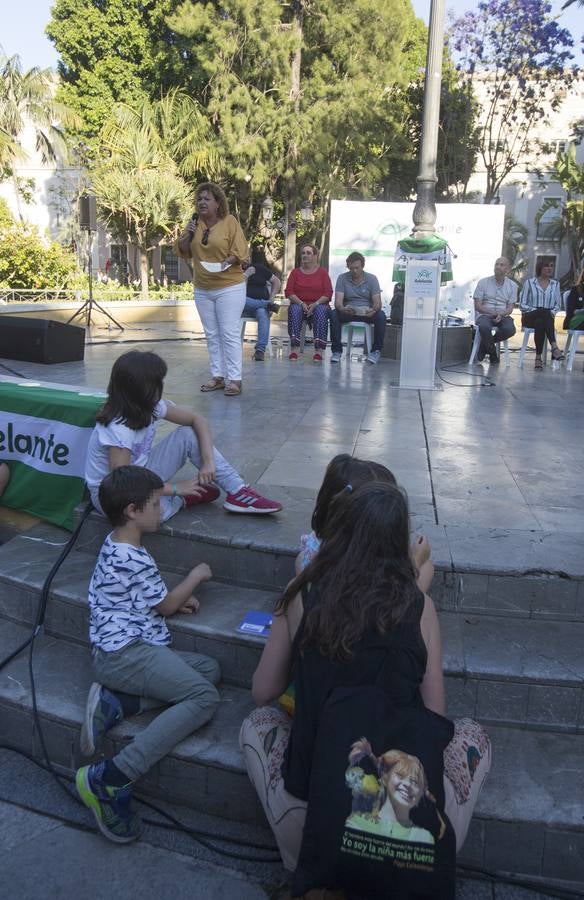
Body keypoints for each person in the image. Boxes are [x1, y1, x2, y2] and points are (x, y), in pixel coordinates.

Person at [240, 482, 491, 882]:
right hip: (409, 843)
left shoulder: (302, 592)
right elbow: (434, 716)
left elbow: (262, 692)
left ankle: (307, 863)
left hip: (308, 818)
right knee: (472, 734)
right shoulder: (420, 607)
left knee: (256, 723)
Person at [76, 465, 221, 843]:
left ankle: (117, 701)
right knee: (204, 697)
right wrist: (196, 576)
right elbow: (167, 605)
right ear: (132, 511)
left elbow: (153, 601)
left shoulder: (118, 543)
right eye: (156, 504)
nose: (162, 509)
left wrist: (174, 601)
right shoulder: (133, 557)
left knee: (209, 668)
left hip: (124, 649)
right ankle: (113, 778)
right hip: (126, 654)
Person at [84, 350, 282, 520]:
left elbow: (197, 420)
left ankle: (238, 491)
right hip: (113, 496)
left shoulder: (150, 407)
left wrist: (208, 462)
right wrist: (177, 489)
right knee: (150, 516)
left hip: (141, 474)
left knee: (188, 433)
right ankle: (180, 501)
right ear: (141, 390)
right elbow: (122, 486)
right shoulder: (118, 429)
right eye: (158, 382)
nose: (162, 385)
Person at [297, 453, 433, 593]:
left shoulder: (315, 546)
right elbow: (399, 595)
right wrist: (416, 560)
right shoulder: (371, 564)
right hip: (365, 607)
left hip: (318, 596)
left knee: (300, 561)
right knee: (427, 567)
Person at [175, 182, 249, 396]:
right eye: (199, 199)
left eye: (207, 199)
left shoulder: (229, 222)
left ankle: (235, 380)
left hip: (229, 286)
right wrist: (187, 235)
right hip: (203, 287)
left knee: (229, 332)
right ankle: (218, 376)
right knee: (211, 334)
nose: (202, 202)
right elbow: (184, 251)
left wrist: (230, 259)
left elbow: (241, 251)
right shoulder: (194, 224)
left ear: (218, 203)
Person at [330, 252, 386, 365]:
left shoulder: (372, 279)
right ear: (348, 267)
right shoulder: (342, 278)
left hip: (367, 312)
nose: (354, 271)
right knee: (334, 314)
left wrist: (373, 310)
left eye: (357, 268)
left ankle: (375, 351)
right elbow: (338, 302)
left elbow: (377, 302)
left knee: (381, 316)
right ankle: (336, 351)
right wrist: (343, 309)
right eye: (352, 268)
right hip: (349, 311)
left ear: (362, 266)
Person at [285, 243, 333, 362]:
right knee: (295, 309)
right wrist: (301, 303)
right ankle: (294, 350)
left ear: (315, 256)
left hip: (318, 305)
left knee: (321, 311)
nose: (305, 255)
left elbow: (328, 293)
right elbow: (289, 292)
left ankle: (318, 351)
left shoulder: (322, 273)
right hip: (299, 305)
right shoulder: (295, 273)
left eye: (308, 253)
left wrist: (315, 304)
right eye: (303, 253)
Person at [519, 259, 564, 370]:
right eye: (546, 266)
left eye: (551, 266)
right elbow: (522, 304)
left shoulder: (555, 284)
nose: (549, 268)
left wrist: (548, 313)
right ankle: (554, 347)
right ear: (540, 268)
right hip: (529, 316)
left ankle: (538, 358)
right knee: (544, 312)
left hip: (546, 319)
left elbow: (558, 305)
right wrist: (538, 311)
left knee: (540, 321)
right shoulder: (530, 283)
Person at [473, 256, 517, 364]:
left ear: (507, 269)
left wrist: (500, 314)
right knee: (483, 326)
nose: (498, 267)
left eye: (501, 265)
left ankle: (484, 346)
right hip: (485, 314)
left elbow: (510, 308)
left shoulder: (512, 286)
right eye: (496, 264)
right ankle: (493, 355)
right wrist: (492, 313)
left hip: (503, 315)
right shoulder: (483, 282)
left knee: (510, 329)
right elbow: (477, 306)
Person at [242, 247, 282, 361]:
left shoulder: (258, 268)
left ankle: (260, 351)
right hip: (241, 306)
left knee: (262, 313)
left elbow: (276, 281)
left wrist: (272, 297)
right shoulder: (234, 271)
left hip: (257, 308)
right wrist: (246, 275)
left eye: (248, 256)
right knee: (241, 299)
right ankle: (267, 304)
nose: (246, 259)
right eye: (243, 257)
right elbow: (239, 292)